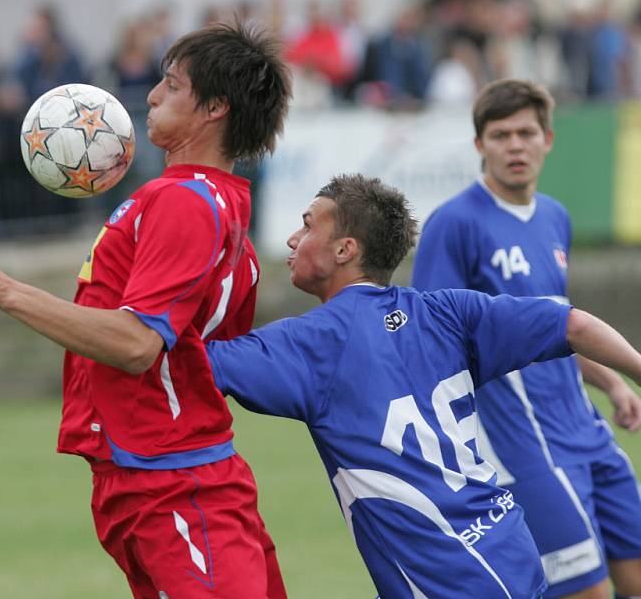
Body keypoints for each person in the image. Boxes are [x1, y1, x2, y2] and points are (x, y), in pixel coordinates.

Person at [0, 21, 292, 599]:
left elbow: (139, 344)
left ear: (215, 108)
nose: (151, 95)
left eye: (171, 85)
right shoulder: (222, 202)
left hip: (172, 479)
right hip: (161, 471)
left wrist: (6, 291)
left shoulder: (184, 202)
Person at [205, 173, 641, 598]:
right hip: (506, 541)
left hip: (443, 576)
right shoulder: (448, 311)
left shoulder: (310, 342)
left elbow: (186, 361)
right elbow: (575, 323)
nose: (292, 239)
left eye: (307, 224)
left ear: (344, 249)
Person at [412, 79, 641, 599]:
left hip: (588, 431)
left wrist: (613, 384)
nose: (515, 145)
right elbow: (430, 342)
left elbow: (554, 325)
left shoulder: (554, 217)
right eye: (500, 135)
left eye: (525, 132)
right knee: (588, 592)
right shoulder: (455, 223)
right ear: (479, 146)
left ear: (549, 139)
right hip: (524, 448)